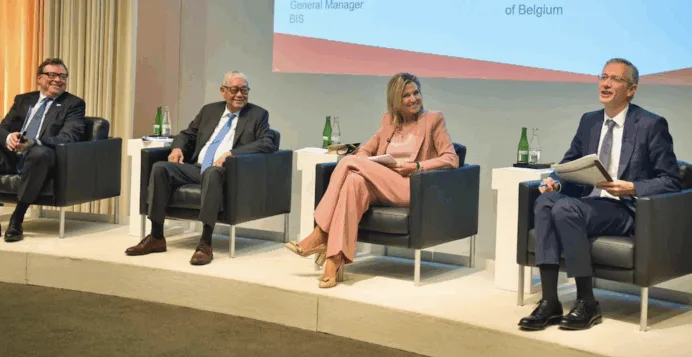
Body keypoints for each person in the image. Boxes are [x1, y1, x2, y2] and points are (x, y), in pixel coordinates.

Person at [518, 58, 681, 331]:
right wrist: (556, 184)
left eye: (615, 79)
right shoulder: (589, 121)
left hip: (624, 208)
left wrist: (633, 187)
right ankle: (550, 302)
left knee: (564, 209)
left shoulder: (650, 125)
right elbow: (570, 164)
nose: (605, 83)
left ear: (631, 89)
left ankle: (587, 301)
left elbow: (672, 180)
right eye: (603, 77)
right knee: (547, 201)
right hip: (589, 202)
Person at [284, 72, 459, 288]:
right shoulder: (388, 121)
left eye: (416, 93)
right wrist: (366, 159)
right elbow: (365, 150)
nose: (413, 99)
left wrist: (416, 166)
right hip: (383, 183)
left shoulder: (433, 120)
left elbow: (451, 159)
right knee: (353, 182)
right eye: (406, 95)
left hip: (411, 186)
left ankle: (320, 233)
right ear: (396, 100)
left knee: (348, 163)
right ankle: (334, 260)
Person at [125, 71, 277, 265]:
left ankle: (205, 243)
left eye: (244, 90)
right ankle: (156, 236)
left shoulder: (258, 115)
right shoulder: (209, 111)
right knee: (160, 168)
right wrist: (177, 148)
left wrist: (232, 154)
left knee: (213, 173)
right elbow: (187, 134)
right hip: (197, 168)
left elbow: (268, 143)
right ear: (223, 91)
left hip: (225, 173)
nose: (239, 94)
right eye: (234, 90)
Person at [0, 58, 86, 243]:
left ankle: (17, 219)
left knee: (39, 153)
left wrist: (34, 142)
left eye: (62, 76)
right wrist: (8, 137)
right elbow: (1, 130)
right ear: (39, 78)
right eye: (51, 75)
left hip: (42, 158)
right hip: (12, 155)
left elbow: (68, 138)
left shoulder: (73, 104)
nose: (58, 80)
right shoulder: (24, 100)